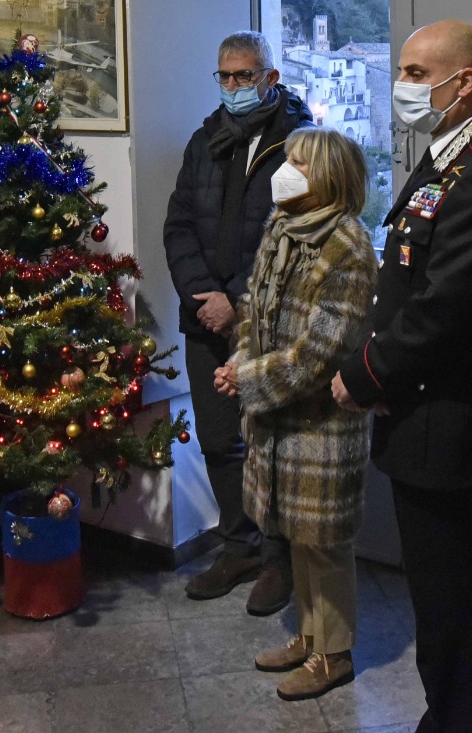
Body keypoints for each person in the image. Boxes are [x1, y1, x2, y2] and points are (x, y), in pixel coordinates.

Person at [331, 20, 472, 733]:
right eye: (405, 71)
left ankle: (468, 720)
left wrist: (365, 372)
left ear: (465, 81)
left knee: (454, 595)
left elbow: (447, 305)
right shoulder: (444, 160)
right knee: (437, 594)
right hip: (414, 411)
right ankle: (446, 713)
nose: (405, 85)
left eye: (418, 72)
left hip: (443, 414)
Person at [213, 127, 376, 701]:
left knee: (324, 544)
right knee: (298, 537)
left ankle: (334, 654)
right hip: (278, 419)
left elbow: (320, 352)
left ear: (327, 175)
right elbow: (252, 313)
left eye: (299, 162)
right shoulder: (282, 229)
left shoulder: (347, 246)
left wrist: (248, 379)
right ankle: (309, 638)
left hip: (321, 421)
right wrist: (239, 362)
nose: (288, 169)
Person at [164, 31, 312, 613]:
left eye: (244, 76)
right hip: (206, 318)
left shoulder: (302, 144)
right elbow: (178, 225)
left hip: (269, 323)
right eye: (224, 77)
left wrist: (240, 302)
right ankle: (239, 545)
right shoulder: (206, 140)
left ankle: (279, 560)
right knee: (221, 439)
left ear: (270, 78)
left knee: (271, 442)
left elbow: (296, 234)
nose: (234, 87)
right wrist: (206, 297)